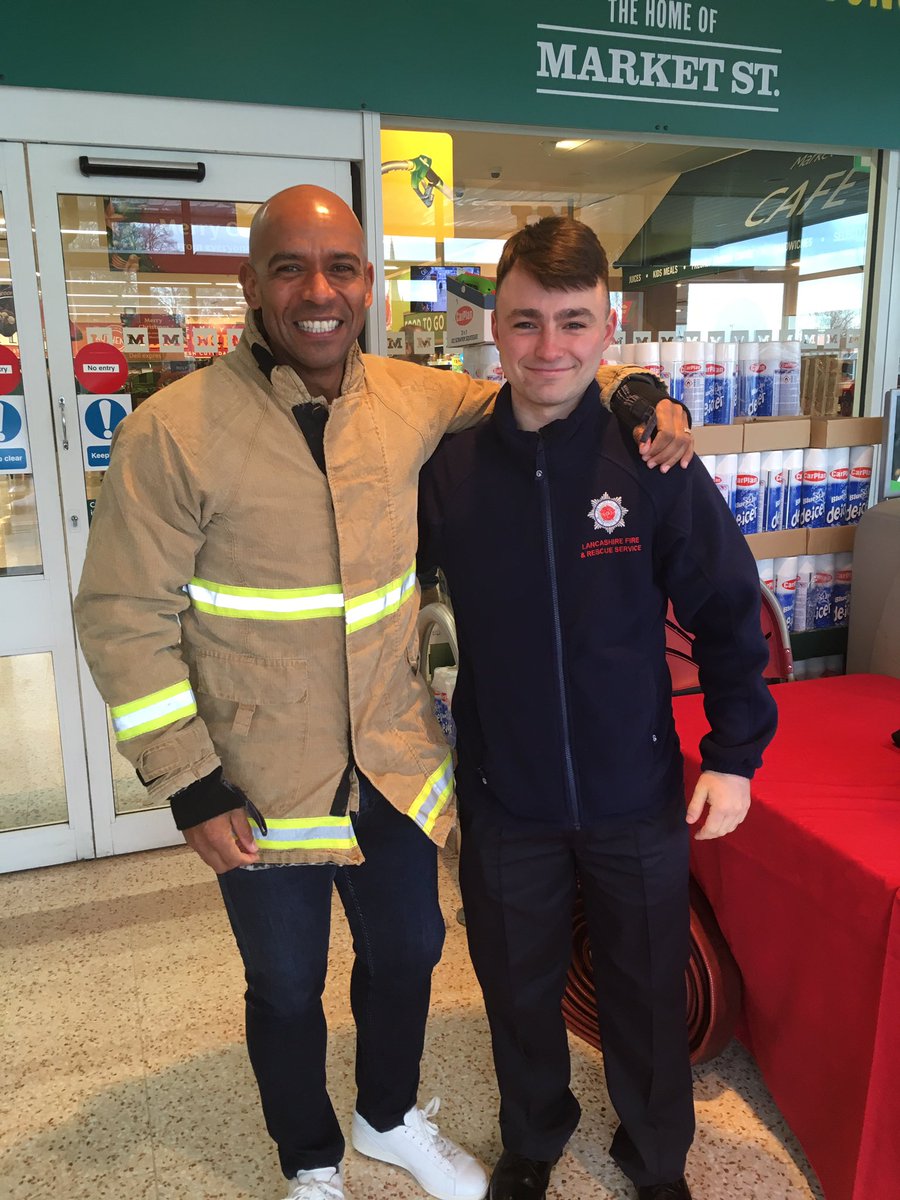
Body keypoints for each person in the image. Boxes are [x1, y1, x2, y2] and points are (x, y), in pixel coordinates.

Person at [73, 187, 693, 1200]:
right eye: (290, 267)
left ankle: (387, 1114)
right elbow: (120, 615)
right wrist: (190, 782)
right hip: (260, 776)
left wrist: (640, 392)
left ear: (367, 283)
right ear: (251, 283)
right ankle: (311, 1159)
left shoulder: (414, 398)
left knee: (410, 952)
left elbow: (549, 372)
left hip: (394, 761)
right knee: (284, 983)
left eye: (342, 268)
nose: (318, 291)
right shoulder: (170, 434)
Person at [417, 216, 778, 1200]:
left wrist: (735, 751)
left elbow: (725, 603)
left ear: (609, 322)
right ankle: (534, 1137)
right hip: (506, 793)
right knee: (516, 987)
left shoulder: (649, 460)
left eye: (573, 322)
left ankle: (655, 1154)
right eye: (527, 322)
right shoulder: (448, 471)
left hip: (636, 788)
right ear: (495, 323)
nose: (550, 349)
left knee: (645, 987)